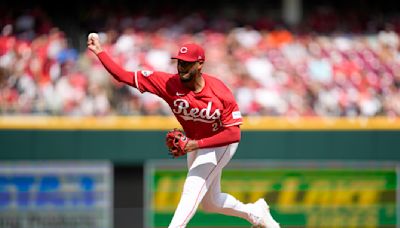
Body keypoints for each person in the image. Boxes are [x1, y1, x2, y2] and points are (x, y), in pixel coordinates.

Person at [87, 33, 280, 228]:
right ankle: (255, 213)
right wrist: (100, 52)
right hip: (195, 142)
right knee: (211, 203)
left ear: (200, 64)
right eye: (179, 62)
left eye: (187, 63)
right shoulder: (168, 83)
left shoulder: (219, 92)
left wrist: (195, 144)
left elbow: (234, 133)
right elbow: (123, 76)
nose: (182, 67)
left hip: (221, 142)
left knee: (192, 186)